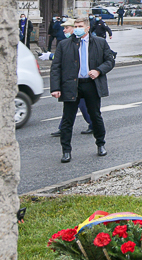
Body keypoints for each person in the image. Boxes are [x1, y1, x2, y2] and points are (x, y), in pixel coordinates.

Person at [48, 16, 115, 163]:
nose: (77, 28)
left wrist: (98, 70)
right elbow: (56, 68)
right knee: (67, 119)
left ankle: (100, 144)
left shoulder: (99, 42)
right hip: (72, 85)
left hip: (91, 84)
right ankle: (66, 151)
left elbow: (110, 61)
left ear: (87, 28)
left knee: (95, 116)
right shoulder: (64, 45)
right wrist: (55, 87)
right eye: (75, 26)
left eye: (80, 26)